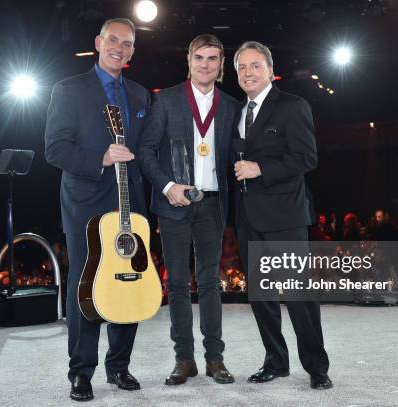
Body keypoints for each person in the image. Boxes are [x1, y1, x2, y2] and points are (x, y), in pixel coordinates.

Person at [44, 17, 150, 402]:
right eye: (113, 40)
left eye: (127, 43)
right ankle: (81, 372)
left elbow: (146, 151)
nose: (118, 48)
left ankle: (119, 367)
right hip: (86, 205)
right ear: (98, 42)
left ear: (133, 52)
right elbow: (55, 148)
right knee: (85, 287)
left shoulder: (140, 95)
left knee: (130, 280)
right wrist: (101, 157)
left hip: (131, 206)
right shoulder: (68, 90)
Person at [138, 34, 239, 385]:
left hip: (211, 203)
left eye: (213, 58)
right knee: (178, 284)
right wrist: (168, 187)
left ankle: (215, 359)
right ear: (189, 60)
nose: (206, 64)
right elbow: (146, 152)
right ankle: (184, 359)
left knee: (211, 283)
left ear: (221, 64)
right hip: (174, 202)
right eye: (200, 57)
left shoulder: (230, 106)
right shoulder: (165, 101)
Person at [232, 41, 332, 390]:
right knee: (261, 297)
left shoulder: (293, 106)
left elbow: (307, 158)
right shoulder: (236, 112)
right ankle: (275, 361)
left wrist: (261, 168)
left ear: (269, 69)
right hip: (247, 217)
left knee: (298, 296)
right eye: (242, 67)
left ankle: (317, 368)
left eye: (255, 65)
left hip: (285, 215)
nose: (248, 73)